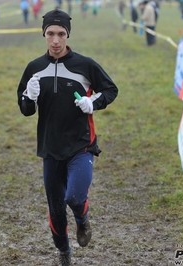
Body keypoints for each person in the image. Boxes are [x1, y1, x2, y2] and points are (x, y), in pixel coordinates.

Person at [17, 9, 118, 266]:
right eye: (50, 33)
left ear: (67, 35)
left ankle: (83, 221)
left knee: (73, 197)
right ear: (44, 34)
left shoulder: (85, 65)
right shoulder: (34, 68)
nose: (55, 40)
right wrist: (29, 96)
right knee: (56, 210)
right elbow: (26, 110)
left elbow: (110, 90)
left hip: (81, 146)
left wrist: (92, 102)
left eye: (61, 34)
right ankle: (64, 252)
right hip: (50, 149)